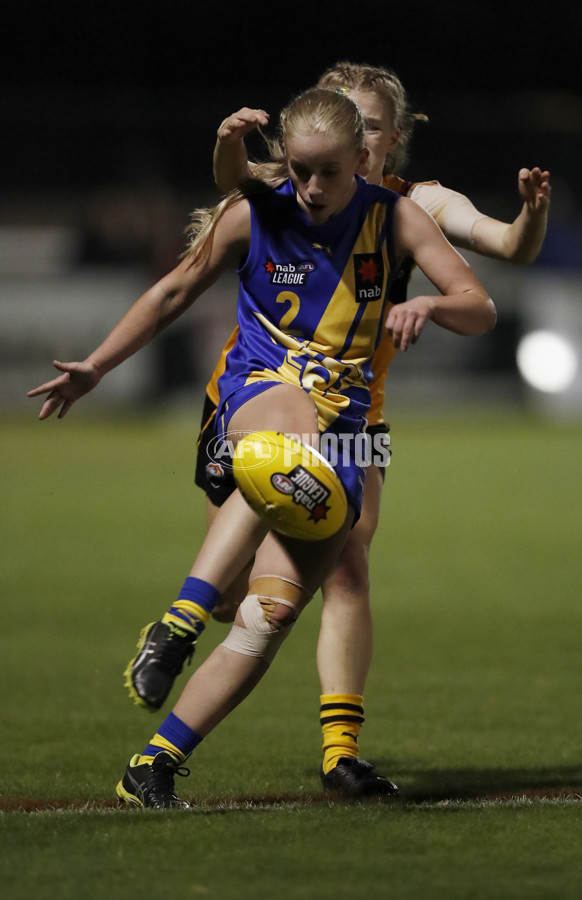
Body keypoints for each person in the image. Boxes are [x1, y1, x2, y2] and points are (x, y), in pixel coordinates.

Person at [30, 86, 496, 808]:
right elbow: (171, 293)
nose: (311, 188)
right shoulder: (254, 212)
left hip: (349, 436)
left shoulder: (396, 216)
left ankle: (153, 764)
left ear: (363, 160)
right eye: (300, 170)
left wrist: (432, 302)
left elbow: (481, 304)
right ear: (284, 160)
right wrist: (96, 364)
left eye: (329, 173)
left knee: (269, 616)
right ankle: (177, 622)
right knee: (290, 438)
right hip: (257, 395)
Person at [122, 63, 550, 797]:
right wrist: (228, 148)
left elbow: (506, 251)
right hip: (260, 397)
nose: (356, 133)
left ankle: (338, 750)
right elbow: (233, 191)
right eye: (345, 118)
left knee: (342, 569)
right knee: (241, 596)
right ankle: (188, 618)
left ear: (388, 139)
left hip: (357, 420)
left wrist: (530, 214)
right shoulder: (301, 184)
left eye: (372, 123)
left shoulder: (416, 205)